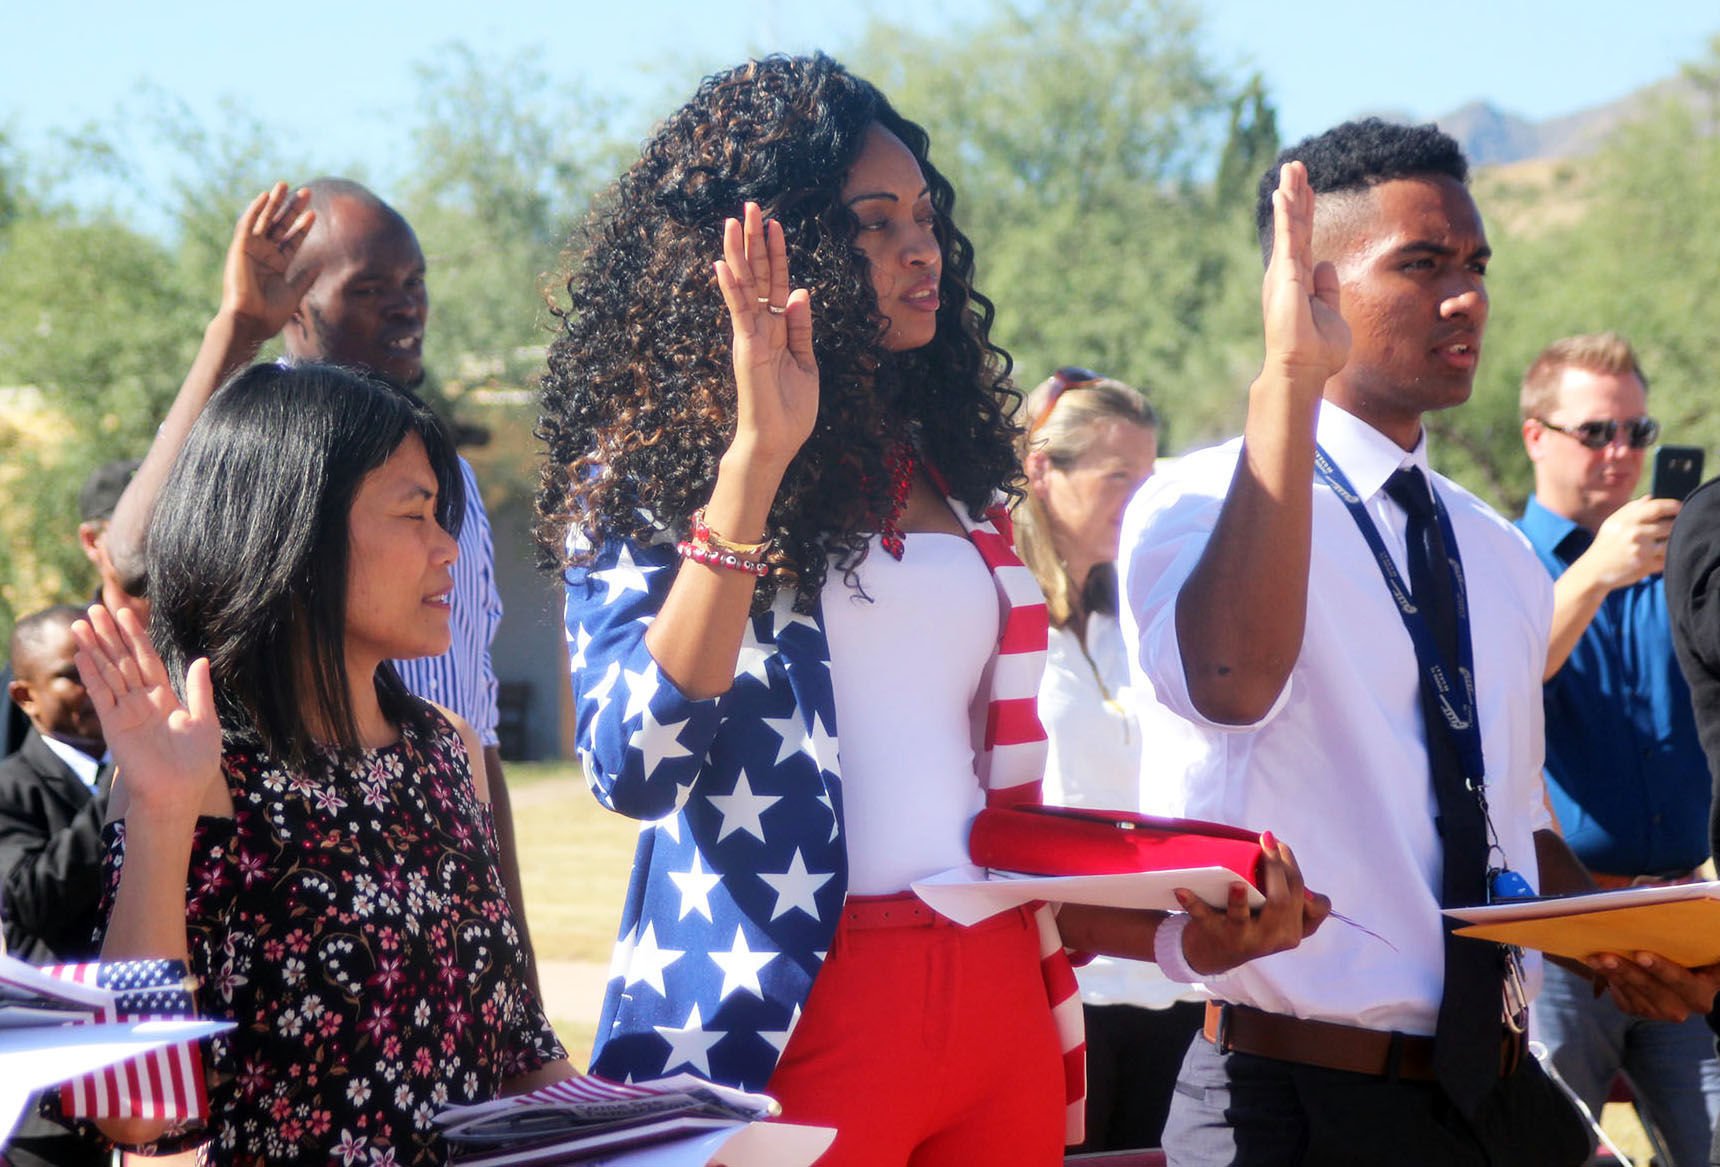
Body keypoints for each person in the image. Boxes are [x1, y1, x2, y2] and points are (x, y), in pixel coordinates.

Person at [535, 53, 1326, 1167]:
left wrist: (1183, 932)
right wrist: (757, 461)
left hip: (999, 1004)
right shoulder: (650, 475)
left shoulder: (963, 479)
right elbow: (635, 764)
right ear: (772, 245)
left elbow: (984, 831)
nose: (920, 248)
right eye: (870, 222)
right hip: (784, 1018)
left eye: (924, 215)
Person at [1120, 118, 1720, 1166]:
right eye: (1421, 264)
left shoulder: (1493, 553)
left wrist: (1633, 941)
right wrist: (1287, 381)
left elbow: (1512, 824)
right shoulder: (1201, 501)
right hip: (1290, 1093)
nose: (1467, 297)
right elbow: (1228, 681)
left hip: (1488, 1092)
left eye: (1476, 264)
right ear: (1310, 285)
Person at [69, 361, 569, 1165]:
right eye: (416, 515)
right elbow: (134, 1112)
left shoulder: (451, 751)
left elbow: (520, 1052)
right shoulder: (196, 770)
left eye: (444, 516)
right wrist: (161, 812)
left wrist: (666, 1128)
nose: (449, 550)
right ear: (294, 532)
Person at [101, 179, 536, 991]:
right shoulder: (249, 446)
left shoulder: (454, 489)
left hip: (435, 855)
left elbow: (477, 731)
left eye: (415, 284)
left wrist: (510, 960)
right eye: (369, 289)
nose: (406, 308)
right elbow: (132, 553)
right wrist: (237, 329)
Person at [1517, 332, 1720, 1165]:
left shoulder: (1685, 560)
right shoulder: (1503, 557)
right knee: (1547, 1151)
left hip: (1686, 920)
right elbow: (1505, 680)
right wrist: (1596, 572)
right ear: (1536, 434)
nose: (1624, 453)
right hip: (1563, 929)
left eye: (1638, 431)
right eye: (1597, 432)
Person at [1015, 367, 1204, 1152]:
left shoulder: (1136, 612)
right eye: (1117, 474)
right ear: (1041, 472)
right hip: (1060, 977)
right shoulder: (1006, 606)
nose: (1139, 496)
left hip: (1166, 975)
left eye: (1149, 477)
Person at [0, 603, 114, 1167]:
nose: (95, 684)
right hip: (56, 1104)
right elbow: (30, 899)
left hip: (161, 1077)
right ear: (26, 697)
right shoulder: (10, 789)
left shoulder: (165, 771)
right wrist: (119, 793)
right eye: (72, 674)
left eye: (103, 664)